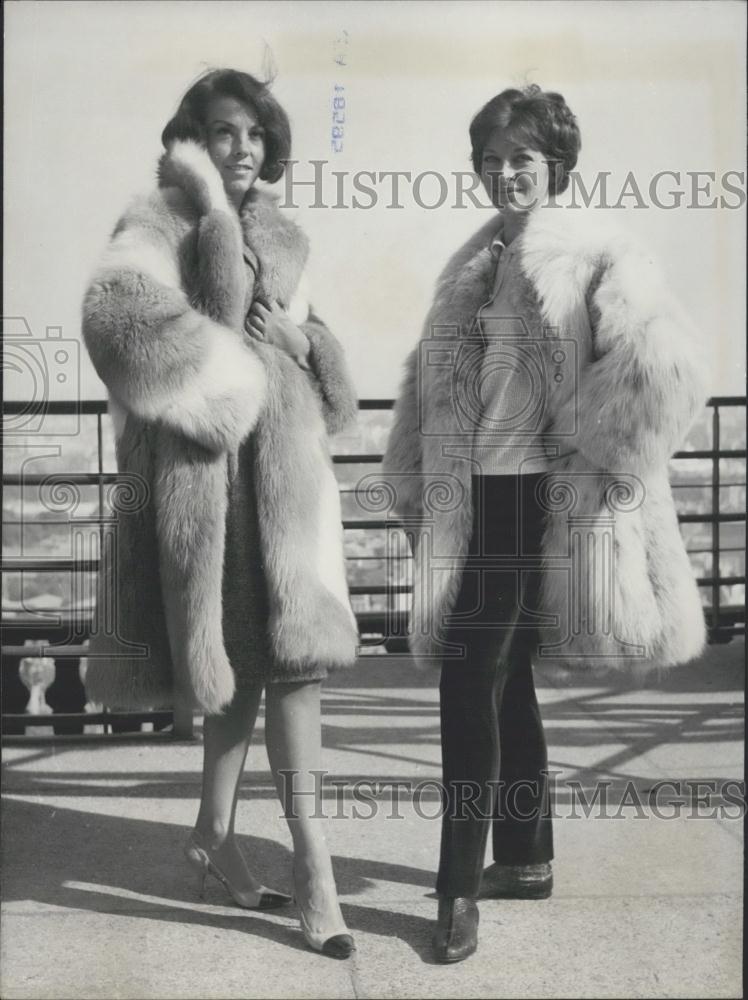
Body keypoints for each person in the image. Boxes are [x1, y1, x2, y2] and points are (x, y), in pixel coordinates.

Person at [382, 84, 708, 963]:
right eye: (491, 160)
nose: (505, 173)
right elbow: (433, 391)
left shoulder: (600, 251)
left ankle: (455, 893)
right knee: (504, 672)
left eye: (522, 157)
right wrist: (421, 480)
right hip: (478, 494)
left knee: (467, 674)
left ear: (555, 163)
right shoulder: (474, 262)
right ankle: (525, 860)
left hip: (542, 496)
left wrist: (591, 453)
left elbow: (666, 371)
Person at [82, 68, 359, 960]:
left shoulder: (282, 236)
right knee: (239, 658)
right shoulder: (159, 218)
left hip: (284, 482)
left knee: (295, 664)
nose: (243, 150)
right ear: (194, 138)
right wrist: (231, 374)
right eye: (225, 132)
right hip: (209, 478)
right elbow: (115, 323)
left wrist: (303, 345)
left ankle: (286, 851)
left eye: (255, 134)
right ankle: (248, 841)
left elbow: (317, 360)